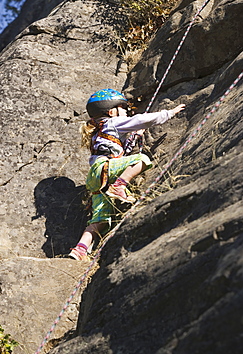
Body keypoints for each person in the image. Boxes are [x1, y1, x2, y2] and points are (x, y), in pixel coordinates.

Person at [69, 88, 185, 260]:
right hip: (106, 169)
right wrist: (168, 113)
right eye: (123, 108)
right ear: (111, 111)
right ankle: (119, 186)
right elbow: (140, 119)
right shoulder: (113, 122)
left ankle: (79, 249)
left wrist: (134, 136)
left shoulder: (98, 131)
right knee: (142, 160)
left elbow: (118, 151)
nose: (127, 111)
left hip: (96, 177)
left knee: (100, 220)